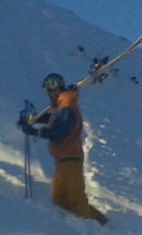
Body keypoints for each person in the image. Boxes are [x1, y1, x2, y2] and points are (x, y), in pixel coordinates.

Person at [19, 74, 108, 224]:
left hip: (70, 159)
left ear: (55, 90)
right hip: (62, 160)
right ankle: (87, 220)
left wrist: (35, 131)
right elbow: (53, 120)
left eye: (49, 91)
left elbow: (57, 133)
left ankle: (96, 224)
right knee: (59, 198)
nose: (48, 95)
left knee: (76, 198)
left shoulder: (66, 108)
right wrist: (33, 118)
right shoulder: (61, 108)